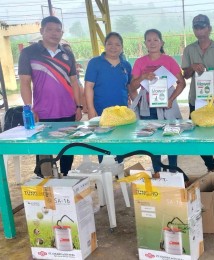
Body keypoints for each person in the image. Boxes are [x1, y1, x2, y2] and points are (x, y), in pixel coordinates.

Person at [18, 16, 82, 176]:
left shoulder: (67, 53)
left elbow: (74, 81)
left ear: (62, 32)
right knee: (44, 152)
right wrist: (29, 108)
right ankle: (45, 180)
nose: (55, 33)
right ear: (42, 31)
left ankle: (66, 176)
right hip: (43, 112)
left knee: (68, 148)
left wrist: (79, 106)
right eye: (50, 29)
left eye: (58, 30)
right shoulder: (28, 53)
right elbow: (25, 83)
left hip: (68, 111)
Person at [182, 14, 214, 176]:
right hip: (196, 101)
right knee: (198, 136)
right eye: (196, 27)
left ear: (209, 28)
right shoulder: (189, 50)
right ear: (193, 30)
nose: (199, 29)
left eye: (202, 26)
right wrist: (192, 67)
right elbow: (185, 75)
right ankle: (210, 166)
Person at [130, 29, 186, 176]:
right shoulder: (140, 62)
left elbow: (181, 83)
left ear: (161, 42)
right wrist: (142, 77)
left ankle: (173, 172)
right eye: (149, 40)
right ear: (145, 44)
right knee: (153, 142)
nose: (152, 43)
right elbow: (131, 86)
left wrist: (171, 99)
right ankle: (157, 173)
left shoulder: (169, 61)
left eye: (156, 40)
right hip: (148, 109)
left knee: (171, 139)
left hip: (167, 108)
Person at [84, 32, 132, 119]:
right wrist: (91, 109)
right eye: (110, 44)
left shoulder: (126, 65)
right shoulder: (95, 63)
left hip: (122, 113)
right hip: (100, 113)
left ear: (122, 48)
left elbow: (130, 88)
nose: (113, 47)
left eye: (117, 44)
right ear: (105, 46)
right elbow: (88, 87)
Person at [62, 43, 88, 114]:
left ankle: (85, 107)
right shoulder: (62, 60)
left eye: (69, 50)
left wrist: (78, 68)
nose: (68, 51)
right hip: (68, 81)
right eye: (66, 49)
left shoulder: (73, 59)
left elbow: (79, 70)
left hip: (77, 80)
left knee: (82, 93)